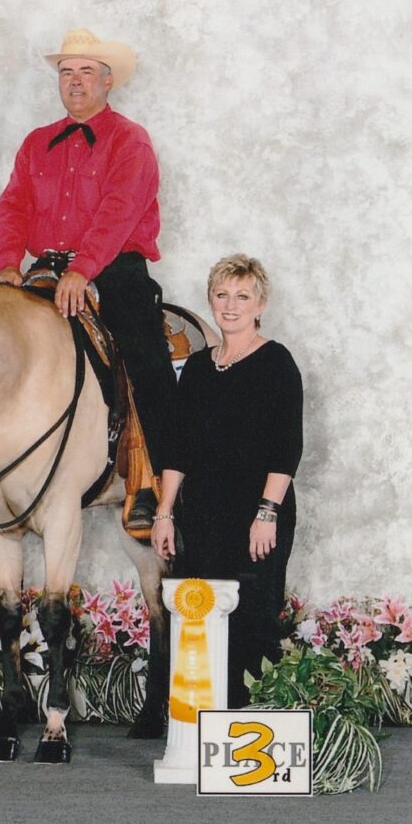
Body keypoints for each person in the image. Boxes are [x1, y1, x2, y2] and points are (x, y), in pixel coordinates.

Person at [0, 28, 177, 527]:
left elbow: (119, 212)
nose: (74, 82)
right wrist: (8, 263)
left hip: (114, 265)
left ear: (108, 81)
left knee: (145, 356)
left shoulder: (130, 140)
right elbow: (13, 205)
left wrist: (83, 269)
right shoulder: (36, 144)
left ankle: (150, 478)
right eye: (66, 72)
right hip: (47, 266)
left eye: (86, 72)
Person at [151, 254, 303, 707]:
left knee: (253, 620)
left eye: (242, 296)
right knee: (200, 619)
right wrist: (163, 514)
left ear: (260, 305)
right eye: (222, 295)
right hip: (200, 515)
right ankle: (202, 722)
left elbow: (287, 447)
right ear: (211, 301)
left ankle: (249, 720)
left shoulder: (277, 363)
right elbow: (177, 448)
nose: (230, 305)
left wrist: (266, 514)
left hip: (257, 514)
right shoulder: (197, 368)